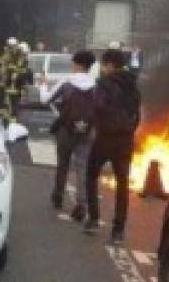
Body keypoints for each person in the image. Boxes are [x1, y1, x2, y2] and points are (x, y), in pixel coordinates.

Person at [84, 48, 141, 244]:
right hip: (125, 140)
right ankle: (118, 230)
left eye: (103, 64)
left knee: (92, 175)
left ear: (109, 65)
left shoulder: (104, 84)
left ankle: (93, 219)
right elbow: (136, 115)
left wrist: (97, 124)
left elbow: (97, 107)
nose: (101, 68)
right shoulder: (132, 85)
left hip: (105, 138)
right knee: (122, 183)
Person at [48, 51, 97, 217]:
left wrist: (42, 86)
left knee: (63, 163)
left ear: (77, 64)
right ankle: (81, 205)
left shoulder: (67, 82)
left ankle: (58, 195)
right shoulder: (96, 85)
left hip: (66, 129)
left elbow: (46, 99)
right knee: (82, 167)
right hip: (87, 131)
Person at [0, 38, 30, 125]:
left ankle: (11, 122)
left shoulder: (20, 59)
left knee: (12, 108)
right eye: (10, 47)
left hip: (14, 89)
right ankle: (6, 121)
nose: (11, 49)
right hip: (6, 87)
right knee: (5, 107)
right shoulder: (7, 57)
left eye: (12, 47)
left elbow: (23, 74)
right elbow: (1, 68)